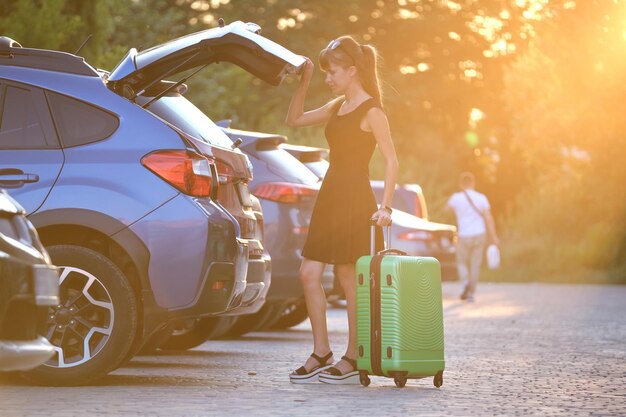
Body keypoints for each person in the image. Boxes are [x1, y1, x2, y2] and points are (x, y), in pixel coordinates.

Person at [285, 36, 398, 385]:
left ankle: (353, 356)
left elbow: (392, 160)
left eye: (332, 72)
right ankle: (322, 351)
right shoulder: (336, 106)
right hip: (330, 194)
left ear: (352, 70)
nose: (328, 79)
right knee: (308, 274)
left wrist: (386, 207)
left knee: (350, 280)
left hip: (354, 199)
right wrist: (303, 82)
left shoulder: (372, 111)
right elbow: (294, 119)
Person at [445, 172, 499, 302]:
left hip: (463, 235)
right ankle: (471, 293)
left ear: (461, 184)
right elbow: (488, 219)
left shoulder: (456, 198)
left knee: (462, 262)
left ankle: (465, 284)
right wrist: (494, 237)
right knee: (475, 264)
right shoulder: (481, 198)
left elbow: (446, 210)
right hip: (479, 234)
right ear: (473, 183)